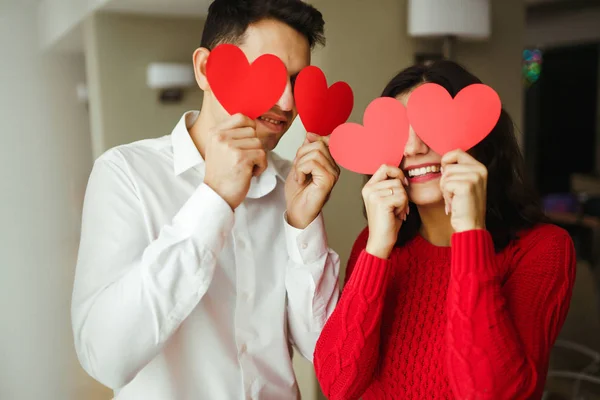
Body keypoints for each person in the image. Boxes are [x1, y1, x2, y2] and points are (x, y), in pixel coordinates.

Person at [71, 1, 341, 399]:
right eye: (267, 74)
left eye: (297, 82)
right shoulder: (125, 174)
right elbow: (106, 357)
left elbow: (328, 355)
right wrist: (213, 200)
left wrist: (304, 228)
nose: (287, 103)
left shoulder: (294, 186)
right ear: (205, 69)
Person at [314, 60, 576, 400]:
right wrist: (377, 249)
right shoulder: (374, 246)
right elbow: (338, 385)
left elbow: (493, 393)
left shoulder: (543, 250)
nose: (412, 148)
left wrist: (470, 233)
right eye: (398, 132)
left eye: (431, 125)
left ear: (480, 137)